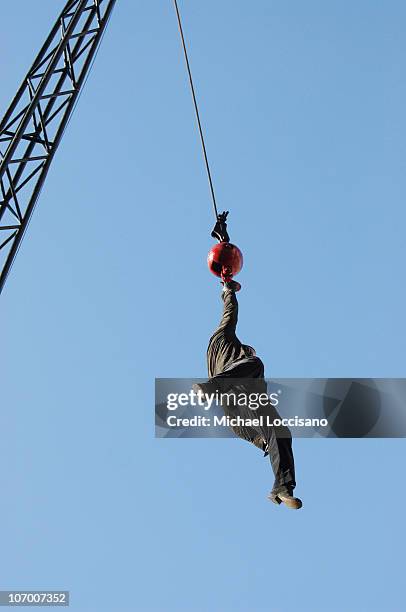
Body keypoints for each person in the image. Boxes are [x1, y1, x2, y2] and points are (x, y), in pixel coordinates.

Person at [197, 279, 302, 510]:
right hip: (235, 391)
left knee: (280, 433)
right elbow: (229, 313)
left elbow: (243, 430)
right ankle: (212, 387)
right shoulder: (227, 340)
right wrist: (228, 289)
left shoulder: (216, 355)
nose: (251, 350)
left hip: (236, 414)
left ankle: (282, 488)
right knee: (256, 363)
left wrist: (264, 442)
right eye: (249, 348)